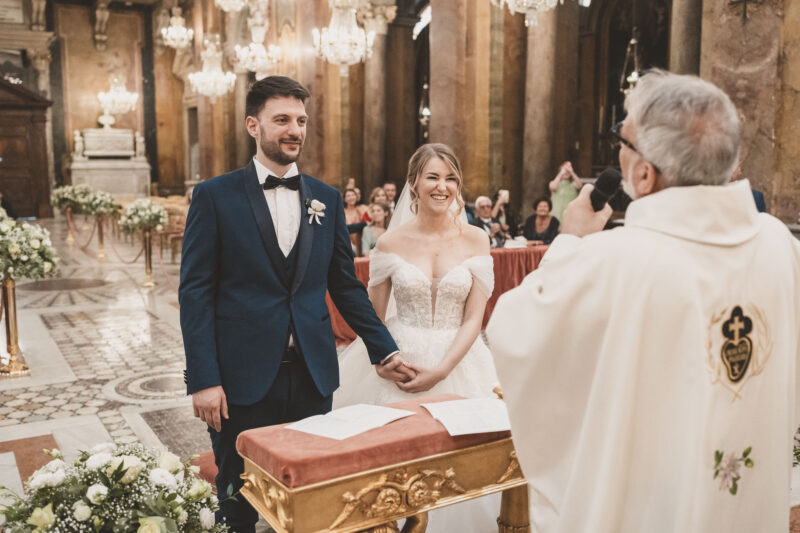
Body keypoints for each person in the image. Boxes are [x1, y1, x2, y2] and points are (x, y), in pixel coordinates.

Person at [487, 70, 800, 533]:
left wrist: (569, 242)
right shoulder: (779, 244)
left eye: (623, 139)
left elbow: (513, 332)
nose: (619, 150)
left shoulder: (616, 260)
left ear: (644, 173)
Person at [179, 76, 409, 533]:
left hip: (311, 376)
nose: (294, 130)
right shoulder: (215, 196)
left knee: (311, 495)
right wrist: (204, 379)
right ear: (253, 125)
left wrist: (385, 348)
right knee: (238, 497)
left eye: (301, 121)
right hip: (240, 380)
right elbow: (195, 293)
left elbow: (345, 286)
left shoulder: (324, 199)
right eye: (282, 119)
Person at [335, 143, 501, 532]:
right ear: (413, 184)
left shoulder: (476, 239)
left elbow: (474, 318)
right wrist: (381, 361)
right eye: (433, 177)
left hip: (459, 360)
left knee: (458, 465)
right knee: (392, 467)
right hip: (400, 361)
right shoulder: (390, 243)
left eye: (451, 179)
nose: (442, 187)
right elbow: (374, 318)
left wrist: (442, 369)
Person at [343, 188, 366, 253]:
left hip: (360, 242)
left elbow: (369, 223)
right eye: (348, 196)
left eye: (353, 195)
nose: (351, 197)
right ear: (344, 199)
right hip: (347, 243)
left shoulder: (362, 209)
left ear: (356, 197)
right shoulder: (342, 212)